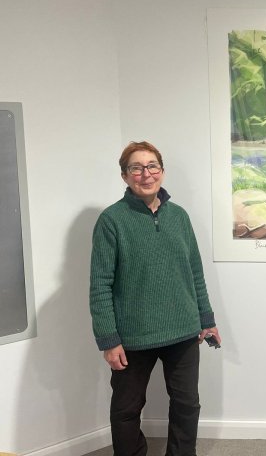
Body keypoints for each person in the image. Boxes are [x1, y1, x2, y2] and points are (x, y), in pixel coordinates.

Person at [90, 141, 221, 456]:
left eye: (152, 166)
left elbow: (194, 273)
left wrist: (207, 320)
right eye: (136, 168)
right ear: (125, 176)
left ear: (161, 171)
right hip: (133, 336)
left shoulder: (179, 216)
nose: (145, 174)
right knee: (126, 409)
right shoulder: (112, 220)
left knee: (187, 405)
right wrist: (108, 340)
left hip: (183, 331)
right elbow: (99, 284)